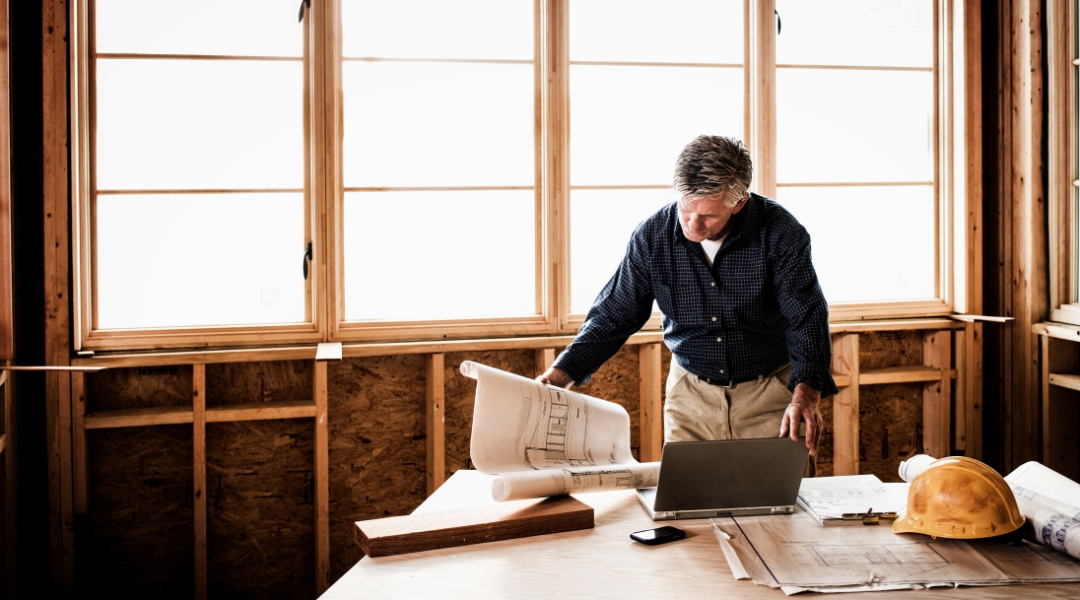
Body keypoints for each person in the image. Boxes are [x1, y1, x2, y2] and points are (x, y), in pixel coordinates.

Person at [537, 135, 837, 462]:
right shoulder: (651, 237)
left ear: (739, 204)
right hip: (690, 393)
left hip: (771, 393)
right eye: (686, 208)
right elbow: (614, 316)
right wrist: (558, 376)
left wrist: (805, 398)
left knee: (780, 503)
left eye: (708, 216)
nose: (692, 225)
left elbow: (805, 320)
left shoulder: (781, 233)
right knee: (687, 505)